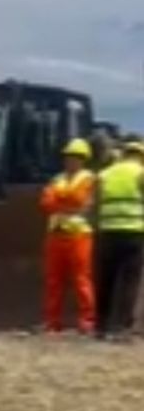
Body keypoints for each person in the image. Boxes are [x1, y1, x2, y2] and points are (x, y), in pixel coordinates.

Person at [38, 138, 97, 334]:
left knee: (81, 279)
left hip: (79, 235)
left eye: (75, 158)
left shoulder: (89, 179)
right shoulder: (57, 179)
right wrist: (70, 204)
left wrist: (62, 200)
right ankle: (51, 322)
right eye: (68, 157)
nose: (70, 161)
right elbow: (46, 204)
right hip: (56, 234)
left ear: (83, 160)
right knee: (53, 280)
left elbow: (82, 199)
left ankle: (86, 322)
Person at [93, 139, 144, 340]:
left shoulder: (105, 174)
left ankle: (101, 326)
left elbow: (95, 205)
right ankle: (122, 328)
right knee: (129, 281)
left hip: (107, 232)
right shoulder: (141, 173)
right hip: (134, 233)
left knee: (106, 280)